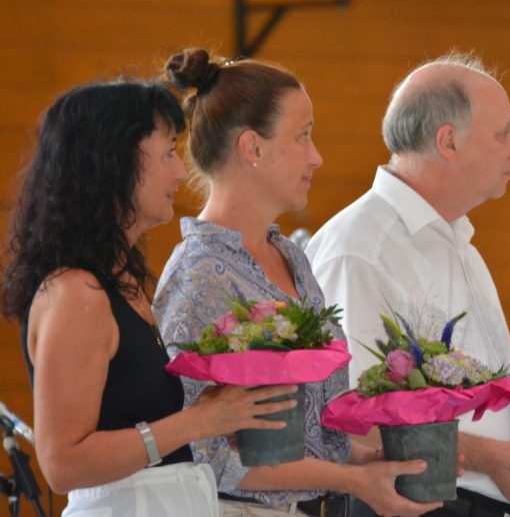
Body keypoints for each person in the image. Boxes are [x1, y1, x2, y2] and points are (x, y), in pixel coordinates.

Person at [154, 48, 443, 517]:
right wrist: (349, 479)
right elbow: (206, 454)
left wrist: (375, 459)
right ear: (253, 148)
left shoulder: (291, 256)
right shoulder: (199, 274)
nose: (317, 156)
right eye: (303, 137)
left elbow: (310, 423)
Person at [306, 51, 510, 516]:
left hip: (485, 499)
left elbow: (480, 391)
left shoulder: (457, 238)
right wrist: (492, 457)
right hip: (417, 503)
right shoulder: (360, 249)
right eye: (503, 133)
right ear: (449, 142)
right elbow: (352, 421)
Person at [0, 79, 299, 516]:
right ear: (114, 164)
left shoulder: (118, 281)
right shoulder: (74, 293)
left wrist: (220, 418)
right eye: (168, 153)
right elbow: (63, 464)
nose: (181, 172)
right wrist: (197, 422)